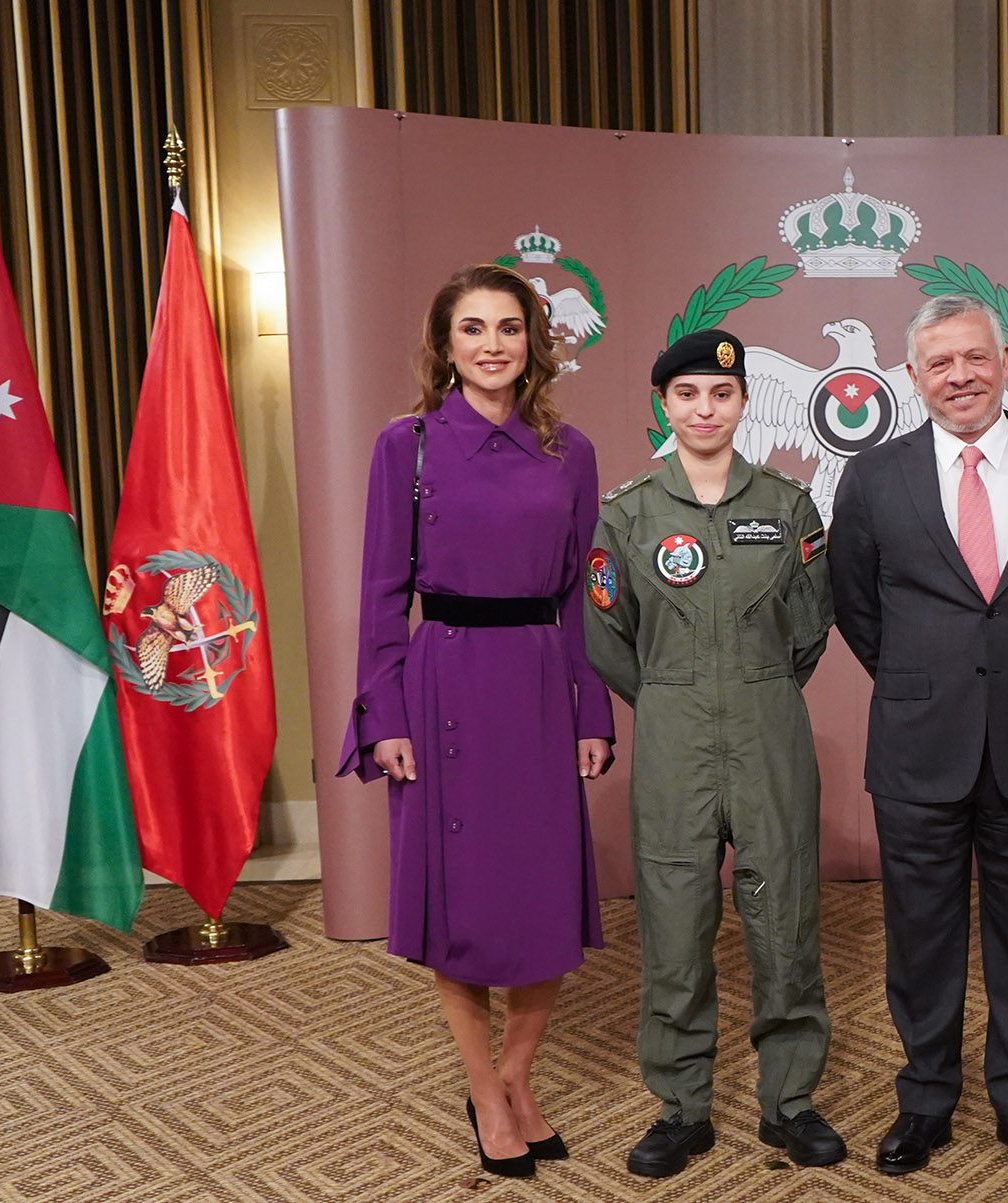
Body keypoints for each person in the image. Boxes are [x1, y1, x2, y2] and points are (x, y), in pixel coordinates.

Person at [339, 264, 615, 1180]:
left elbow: (579, 598)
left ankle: (517, 1078)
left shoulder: (570, 451)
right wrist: (383, 713)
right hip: (443, 684)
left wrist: (591, 704)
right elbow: (381, 593)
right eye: (473, 328)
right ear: (445, 344)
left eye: (509, 327)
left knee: (544, 897)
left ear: (533, 343)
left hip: (537, 686)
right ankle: (484, 1092)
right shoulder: (407, 445)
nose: (493, 344)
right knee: (454, 904)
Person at [829, 294, 1008, 1175]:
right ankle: (925, 1099)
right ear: (914, 378)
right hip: (917, 740)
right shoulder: (873, 476)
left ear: (1004, 363)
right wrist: (928, 680)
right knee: (921, 931)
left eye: (975, 358)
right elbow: (857, 605)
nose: (961, 376)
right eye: (940, 363)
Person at [585, 328, 845, 1179]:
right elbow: (607, 638)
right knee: (673, 923)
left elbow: (810, 627)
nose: (705, 409)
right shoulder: (628, 514)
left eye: (722, 394)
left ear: (742, 403)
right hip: (673, 735)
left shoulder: (790, 505)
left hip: (770, 730)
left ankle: (790, 1101)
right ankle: (681, 1107)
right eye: (688, 394)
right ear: (665, 403)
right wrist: (671, 697)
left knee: (786, 920)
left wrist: (755, 687)